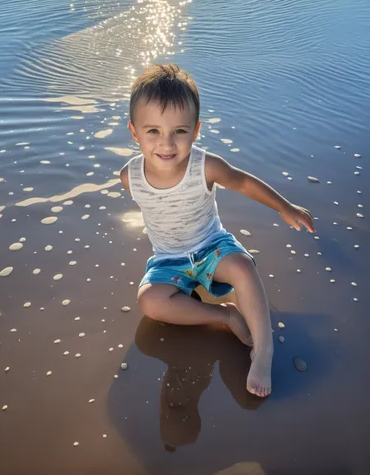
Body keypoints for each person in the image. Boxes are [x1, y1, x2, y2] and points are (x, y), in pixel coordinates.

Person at [120, 63, 315, 397]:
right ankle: (224, 316)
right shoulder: (130, 177)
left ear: (195, 132)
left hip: (212, 247)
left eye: (179, 131)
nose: (167, 143)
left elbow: (242, 182)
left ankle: (264, 350)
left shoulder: (205, 166)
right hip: (169, 261)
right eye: (153, 131)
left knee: (242, 266)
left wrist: (285, 207)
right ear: (134, 132)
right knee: (149, 302)